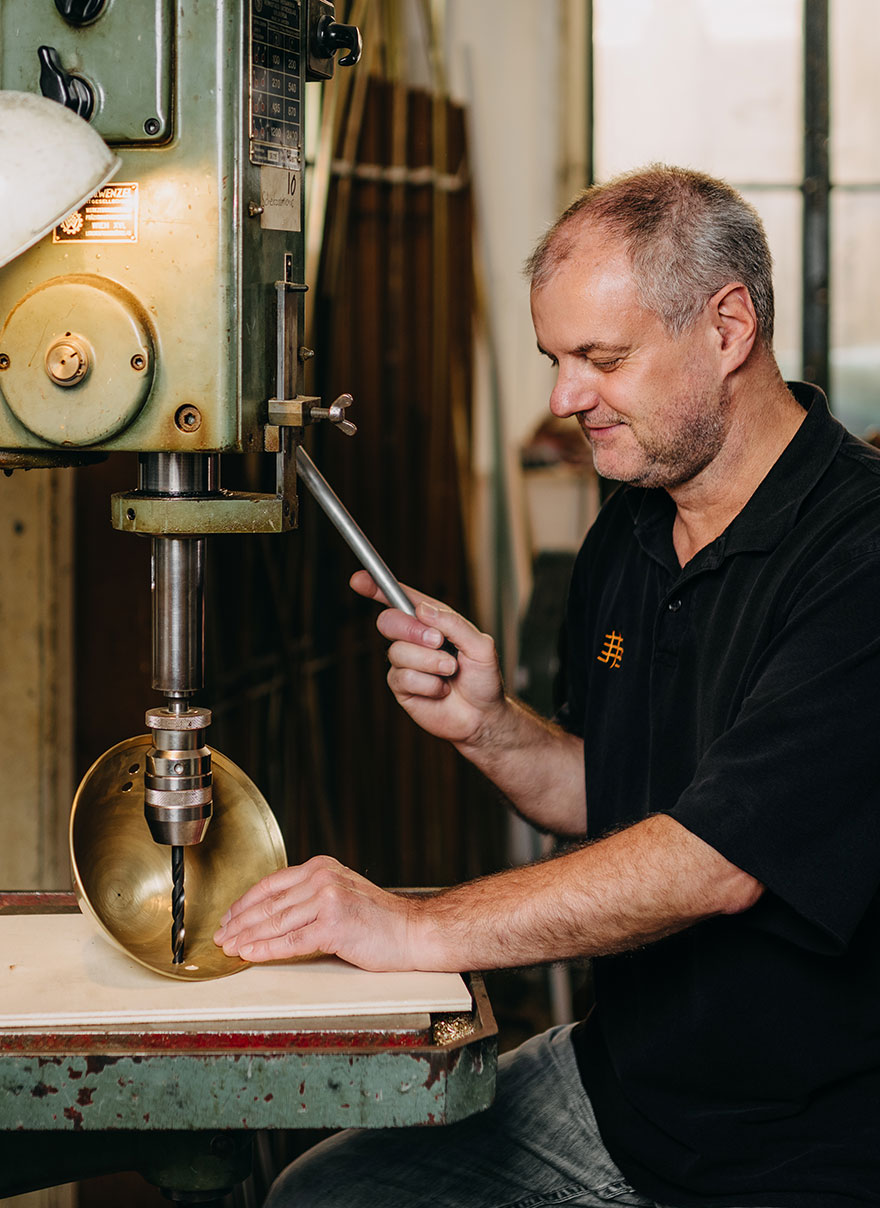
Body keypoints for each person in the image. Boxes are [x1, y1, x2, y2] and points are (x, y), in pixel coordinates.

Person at [213, 165, 880, 1207]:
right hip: (627, 1089)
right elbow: (618, 795)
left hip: (812, 1143)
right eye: (555, 358)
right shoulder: (631, 520)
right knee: (323, 1197)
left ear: (729, 325)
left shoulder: (859, 555)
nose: (565, 397)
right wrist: (487, 727)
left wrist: (414, 926)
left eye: (599, 358)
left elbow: (716, 860)